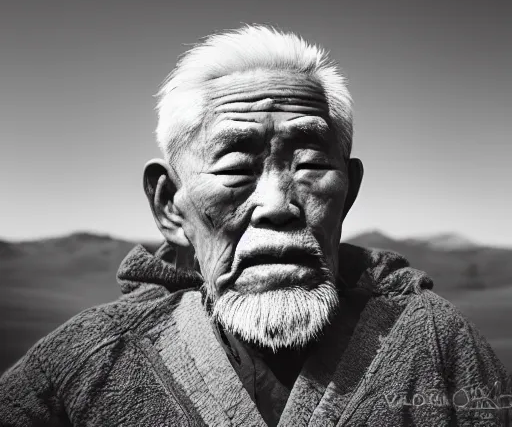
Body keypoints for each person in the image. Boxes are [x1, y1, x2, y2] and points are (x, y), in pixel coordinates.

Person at [0, 25, 509, 426]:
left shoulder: (438, 342)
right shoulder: (86, 361)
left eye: (309, 163)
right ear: (170, 206)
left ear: (348, 192)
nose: (276, 204)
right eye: (235, 168)